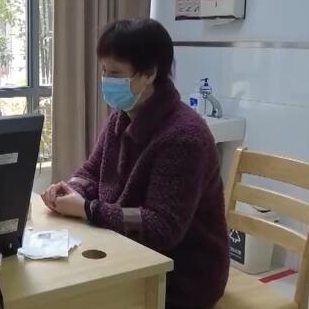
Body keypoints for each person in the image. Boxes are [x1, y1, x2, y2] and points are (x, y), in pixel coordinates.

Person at [41, 19, 229, 309]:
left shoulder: (184, 137)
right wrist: (71, 188)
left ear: (150, 73)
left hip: (184, 277)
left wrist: (88, 209)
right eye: (104, 71)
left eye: (115, 73)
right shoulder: (122, 116)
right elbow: (92, 171)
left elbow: (162, 228)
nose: (106, 80)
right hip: (131, 252)